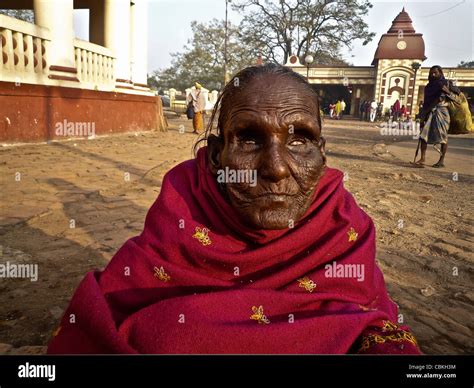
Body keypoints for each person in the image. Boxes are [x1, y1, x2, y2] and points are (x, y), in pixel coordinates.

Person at [47, 64, 421, 354]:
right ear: (214, 156)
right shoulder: (178, 219)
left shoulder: (342, 228)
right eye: (248, 139)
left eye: (300, 140)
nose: (275, 167)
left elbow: (371, 321)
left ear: (322, 154)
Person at [414, 65, 460, 168]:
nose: (433, 74)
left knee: (443, 137)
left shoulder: (447, 84)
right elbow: (426, 103)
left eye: (435, 72)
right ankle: (422, 158)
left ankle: (441, 160)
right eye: (431, 73)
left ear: (441, 73)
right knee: (423, 136)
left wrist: (448, 91)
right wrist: (423, 115)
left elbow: (458, 97)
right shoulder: (428, 87)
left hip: (442, 113)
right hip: (429, 112)